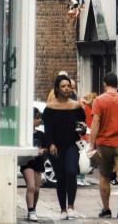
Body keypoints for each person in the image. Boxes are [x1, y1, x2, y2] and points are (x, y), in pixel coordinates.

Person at [42, 75, 87, 220]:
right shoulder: (49, 108)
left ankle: (71, 207)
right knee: (60, 176)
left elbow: (82, 124)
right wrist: (50, 144)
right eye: (63, 86)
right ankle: (63, 209)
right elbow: (47, 129)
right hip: (56, 146)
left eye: (68, 85)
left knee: (71, 172)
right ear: (57, 89)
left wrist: (82, 129)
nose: (67, 88)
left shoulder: (76, 106)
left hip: (72, 144)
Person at [88, 73, 118, 219]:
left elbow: (95, 123)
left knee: (104, 176)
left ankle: (106, 209)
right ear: (117, 84)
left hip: (104, 144)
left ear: (104, 84)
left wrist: (91, 145)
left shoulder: (99, 100)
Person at [21, 108, 47, 222]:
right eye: (36, 118)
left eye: (39, 118)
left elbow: (46, 147)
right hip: (27, 162)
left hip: (38, 162)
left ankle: (33, 209)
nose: (38, 120)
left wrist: (43, 150)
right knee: (30, 186)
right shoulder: (23, 134)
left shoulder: (41, 134)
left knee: (36, 189)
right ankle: (30, 210)